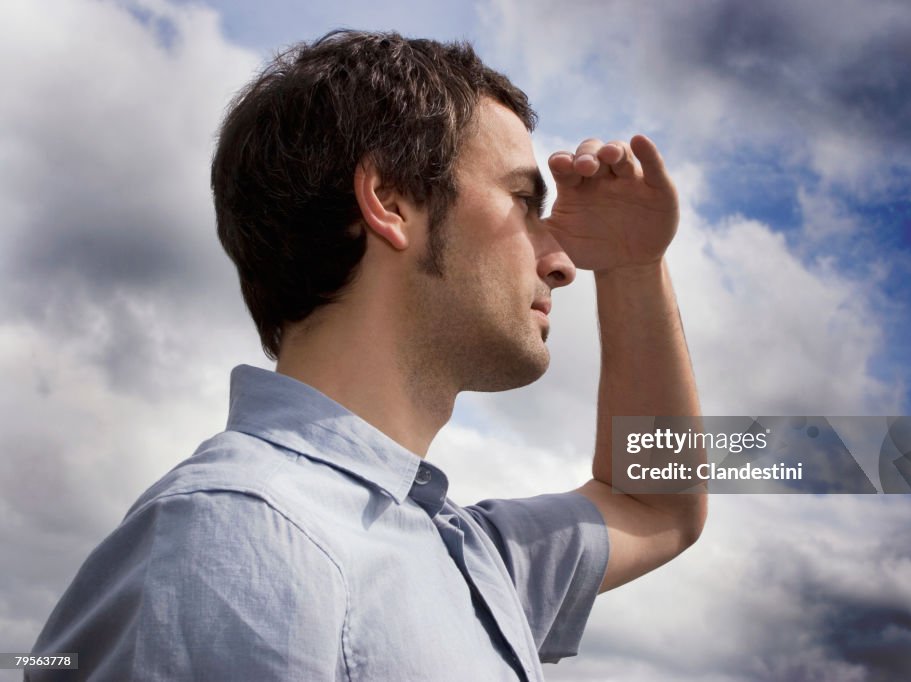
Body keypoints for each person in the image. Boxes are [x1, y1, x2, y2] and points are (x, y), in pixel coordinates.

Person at [30, 29, 706, 681]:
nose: (561, 264)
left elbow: (659, 504)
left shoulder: (471, 559)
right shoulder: (236, 533)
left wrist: (634, 265)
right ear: (389, 201)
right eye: (524, 200)